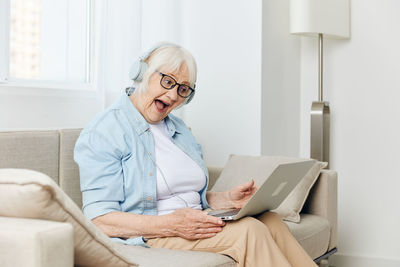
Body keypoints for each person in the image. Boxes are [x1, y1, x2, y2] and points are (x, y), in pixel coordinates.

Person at [74, 42, 317, 267]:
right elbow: (100, 219)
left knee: (270, 220)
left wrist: (225, 200)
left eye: (183, 89)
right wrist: (171, 225)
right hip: (153, 234)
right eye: (167, 82)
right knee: (249, 232)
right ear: (142, 73)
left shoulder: (178, 130)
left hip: (196, 220)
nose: (172, 96)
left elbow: (179, 192)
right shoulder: (105, 131)